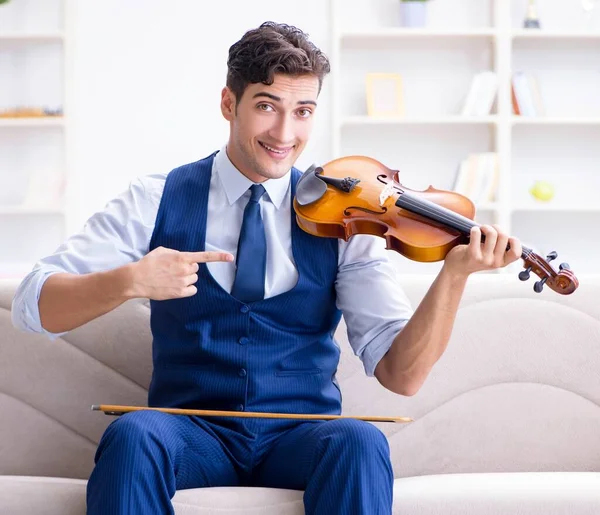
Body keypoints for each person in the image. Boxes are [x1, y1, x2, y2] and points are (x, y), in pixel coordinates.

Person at [11, 21, 522, 515]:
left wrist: (453, 275)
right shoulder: (156, 198)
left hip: (298, 436)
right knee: (133, 434)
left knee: (359, 441)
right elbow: (33, 303)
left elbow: (401, 376)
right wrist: (126, 281)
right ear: (228, 104)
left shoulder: (347, 220)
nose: (284, 132)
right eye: (266, 106)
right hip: (193, 433)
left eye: (302, 111)